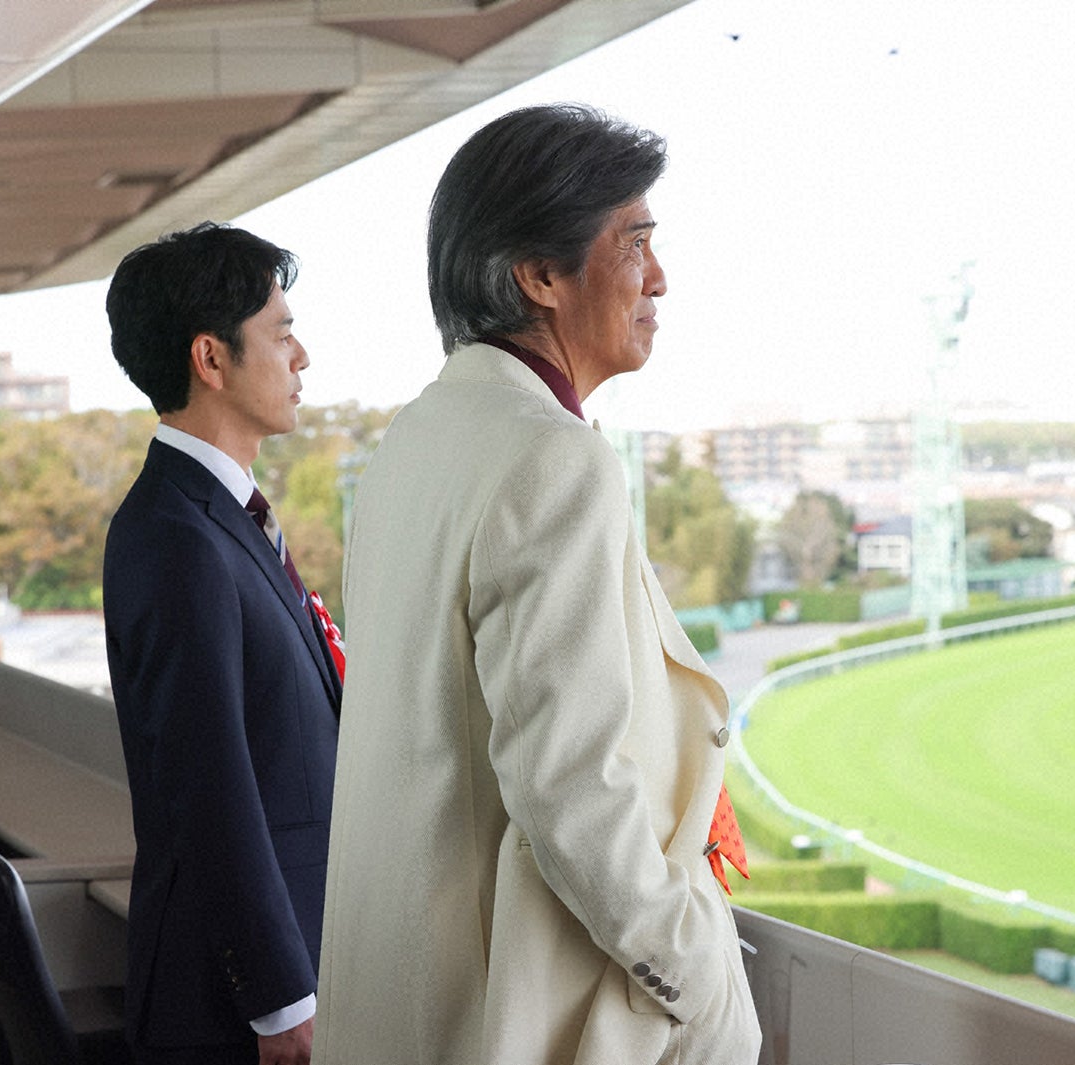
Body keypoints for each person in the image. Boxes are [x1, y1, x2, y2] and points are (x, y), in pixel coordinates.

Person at [315, 104, 761, 1064]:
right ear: (541, 275)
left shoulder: (418, 438)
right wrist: (693, 971)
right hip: (524, 1011)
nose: (659, 277)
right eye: (634, 242)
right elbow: (569, 783)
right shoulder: (552, 458)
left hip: (409, 997)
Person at [103, 222, 341, 1065]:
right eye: (281, 333)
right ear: (211, 357)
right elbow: (207, 783)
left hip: (283, 966)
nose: (301, 356)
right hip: (233, 1012)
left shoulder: (224, 519)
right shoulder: (177, 535)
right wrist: (281, 1000)